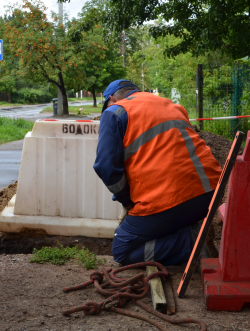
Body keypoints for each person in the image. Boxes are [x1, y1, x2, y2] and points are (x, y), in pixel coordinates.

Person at [93, 79, 222, 266]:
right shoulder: (170, 105)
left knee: (123, 250)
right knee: (161, 224)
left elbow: (106, 168)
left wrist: (127, 201)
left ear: (112, 99)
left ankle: (191, 242)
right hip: (209, 193)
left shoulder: (115, 112)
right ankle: (189, 234)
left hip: (170, 200)